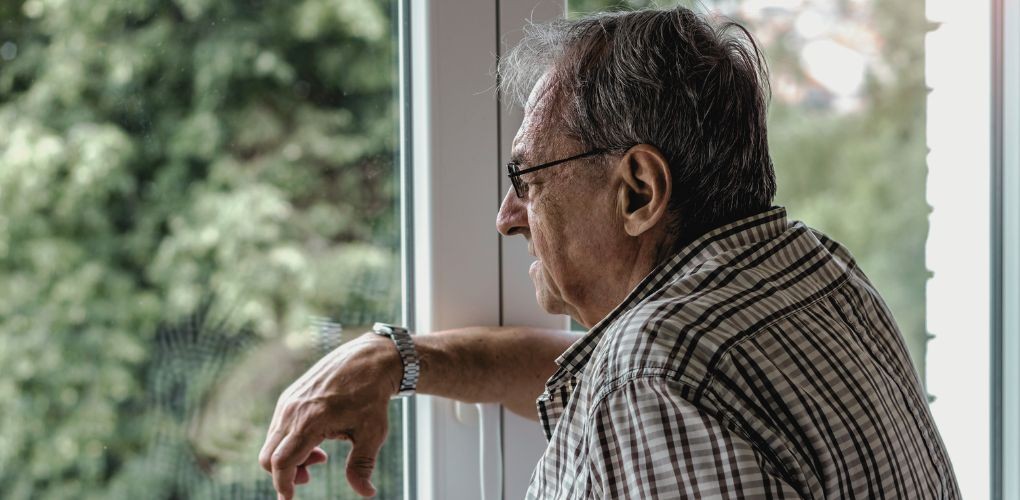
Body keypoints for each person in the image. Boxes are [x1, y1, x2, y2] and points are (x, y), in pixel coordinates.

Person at [259, 6, 961, 499]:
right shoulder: (808, 268)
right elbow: (593, 374)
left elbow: (637, 380)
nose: (506, 218)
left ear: (638, 191)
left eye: (527, 180)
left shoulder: (650, 377)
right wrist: (398, 360)